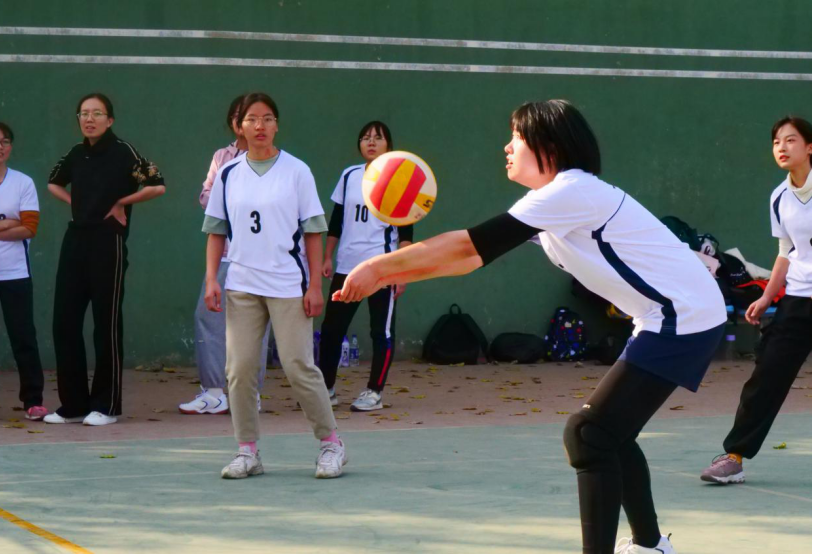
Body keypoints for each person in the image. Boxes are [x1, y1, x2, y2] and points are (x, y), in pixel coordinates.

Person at [332, 100, 727, 555]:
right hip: (670, 316)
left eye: (516, 138)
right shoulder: (555, 199)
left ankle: (643, 545)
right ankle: (650, 546)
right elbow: (470, 259)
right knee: (609, 434)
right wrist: (385, 275)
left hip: (682, 318)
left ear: (549, 148)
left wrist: (378, 266)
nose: (507, 147)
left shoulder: (572, 191)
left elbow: (466, 245)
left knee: (588, 434)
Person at [203, 92, 346, 480]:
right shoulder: (229, 173)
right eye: (252, 119)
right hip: (242, 285)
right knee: (239, 370)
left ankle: (331, 444)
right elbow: (216, 230)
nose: (260, 125)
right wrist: (212, 278)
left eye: (267, 118)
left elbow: (313, 231)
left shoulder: (297, 171)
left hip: (287, 284)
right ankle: (247, 452)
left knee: (299, 367)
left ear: (277, 125)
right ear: (240, 127)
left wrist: (314, 286)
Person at [701, 116, 812, 485]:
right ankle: (733, 457)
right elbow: (785, 252)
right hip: (797, 300)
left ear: (809, 147)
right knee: (766, 378)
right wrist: (766, 297)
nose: (782, 147)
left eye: (791, 140)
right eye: (777, 142)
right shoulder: (779, 197)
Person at [44, 93, 166, 427]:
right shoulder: (76, 153)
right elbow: (53, 182)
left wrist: (122, 202)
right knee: (64, 323)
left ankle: (107, 405)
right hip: (75, 240)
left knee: (106, 324)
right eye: (84, 113)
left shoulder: (123, 151)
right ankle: (73, 405)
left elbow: (157, 186)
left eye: (97, 113)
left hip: (108, 242)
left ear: (109, 120)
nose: (89, 119)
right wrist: (75, 203)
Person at [179, 94, 271, 416]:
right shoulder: (222, 157)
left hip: (261, 257)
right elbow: (206, 197)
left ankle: (250, 394)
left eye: (261, 118)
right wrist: (227, 196)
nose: (252, 124)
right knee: (207, 317)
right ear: (235, 123)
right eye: (242, 117)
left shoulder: (274, 162)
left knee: (255, 325)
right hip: (227, 255)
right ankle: (215, 393)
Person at [319, 121, 413, 412]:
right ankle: (326, 389)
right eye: (365, 137)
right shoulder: (349, 175)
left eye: (377, 137)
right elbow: (337, 220)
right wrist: (327, 256)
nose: (370, 142)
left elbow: (406, 232)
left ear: (388, 144)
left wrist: (401, 271)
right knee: (331, 330)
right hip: (347, 266)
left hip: (381, 268)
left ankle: (374, 392)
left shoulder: (399, 178)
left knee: (380, 332)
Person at [0, 122, 46, 422]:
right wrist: (8, 222)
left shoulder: (23, 183)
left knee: (24, 338)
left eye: (5, 141)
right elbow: (18, 225)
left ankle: (33, 401)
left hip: (16, 273)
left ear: (10, 147)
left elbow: (29, 228)